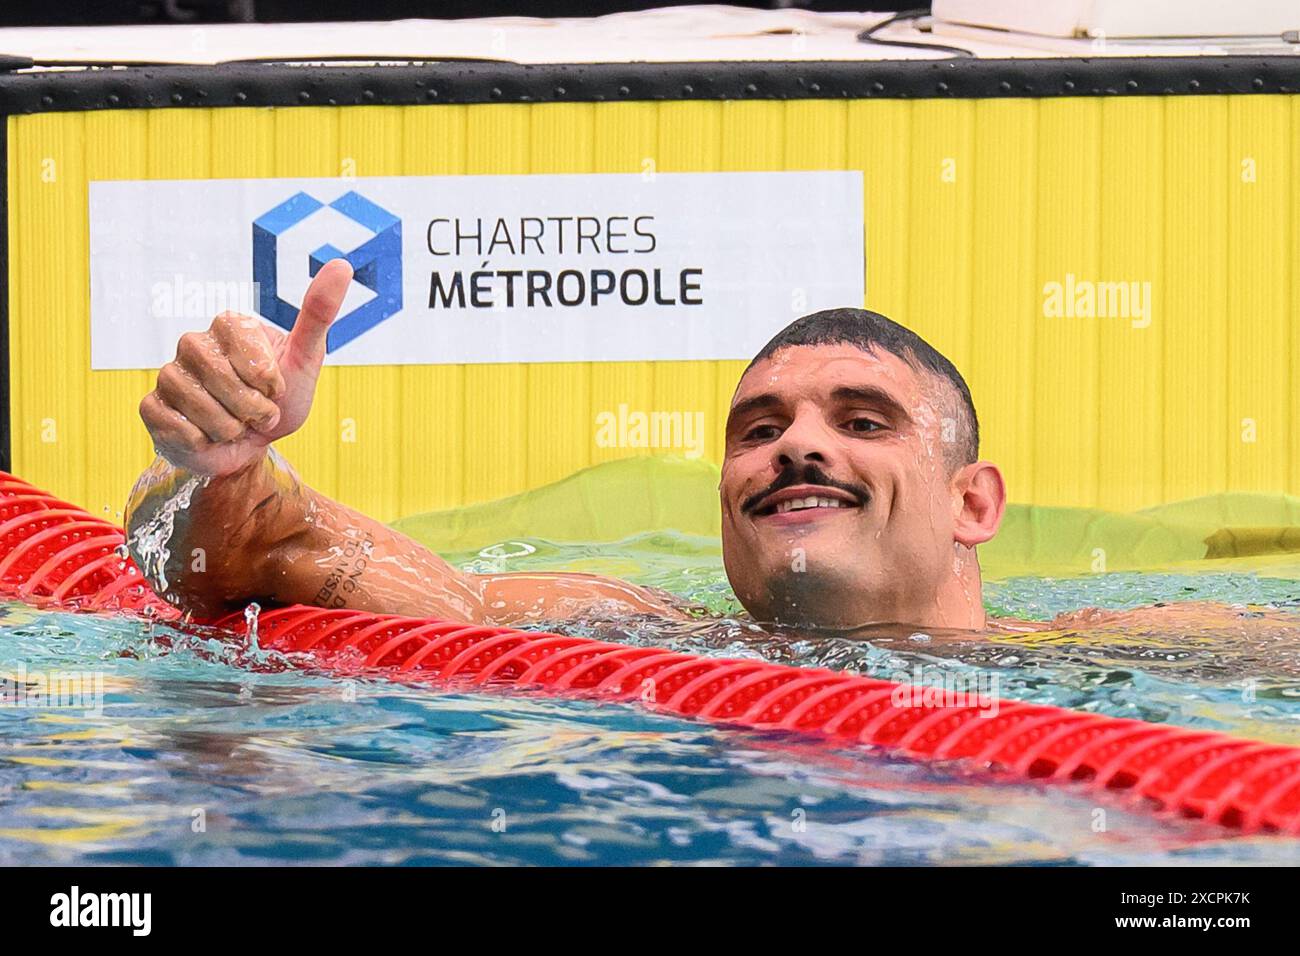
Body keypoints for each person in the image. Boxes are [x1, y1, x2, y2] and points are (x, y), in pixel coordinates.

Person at [124, 259, 1256, 636]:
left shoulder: (1133, 651)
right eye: (758, 430)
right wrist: (217, 465)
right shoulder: (612, 628)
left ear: (974, 504)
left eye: (860, 420)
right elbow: (248, 555)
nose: (794, 449)